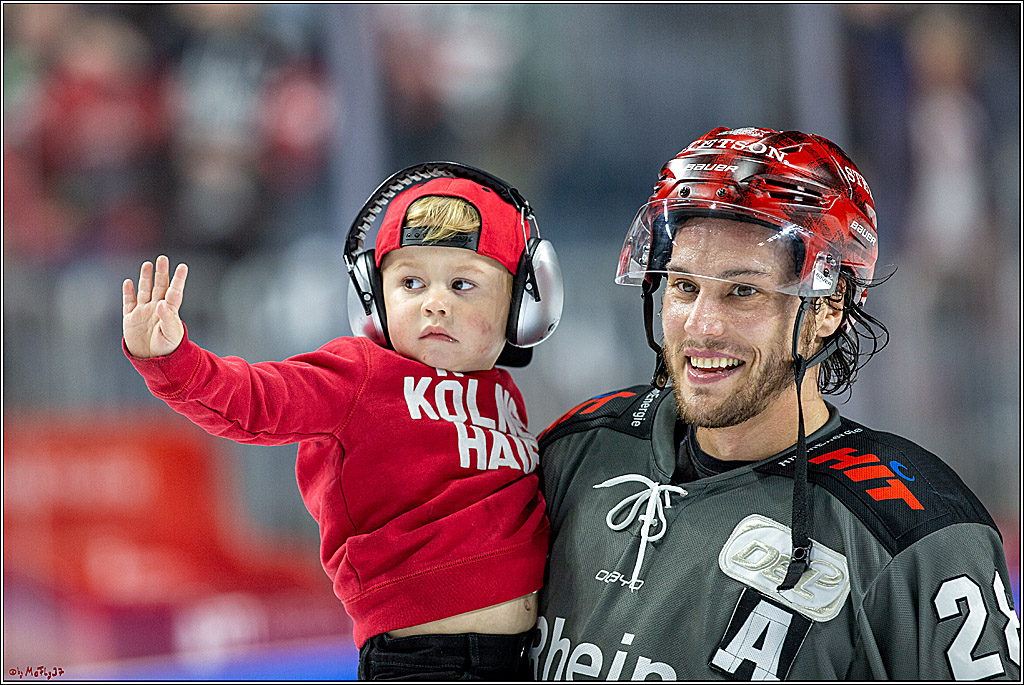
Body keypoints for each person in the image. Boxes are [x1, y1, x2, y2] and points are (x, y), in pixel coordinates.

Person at [530, 126, 1020, 680]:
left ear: (828, 308)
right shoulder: (581, 449)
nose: (701, 326)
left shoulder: (914, 532)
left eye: (744, 291)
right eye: (683, 286)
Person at [122, 168, 563, 680]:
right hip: (425, 664)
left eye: (463, 284)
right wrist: (174, 360)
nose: (434, 302)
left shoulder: (503, 394)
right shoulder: (360, 374)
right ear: (373, 299)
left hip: (527, 658)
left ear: (523, 306)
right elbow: (257, 401)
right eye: (410, 282)